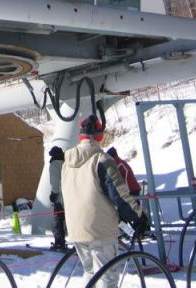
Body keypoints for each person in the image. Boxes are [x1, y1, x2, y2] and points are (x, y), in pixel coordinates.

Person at [62, 115, 148, 287]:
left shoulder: (67, 163)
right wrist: (138, 218)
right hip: (99, 229)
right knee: (107, 277)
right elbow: (118, 194)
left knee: (90, 273)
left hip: (76, 229)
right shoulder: (101, 160)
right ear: (98, 135)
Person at [48, 146, 67, 251]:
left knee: (56, 220)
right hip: (67, 196)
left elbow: (55, 181)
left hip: (59, 197)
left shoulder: (54, 164)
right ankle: (62, 241)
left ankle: (59, 242)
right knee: (63, 219)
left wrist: (54, 194)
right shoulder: (65, 163)